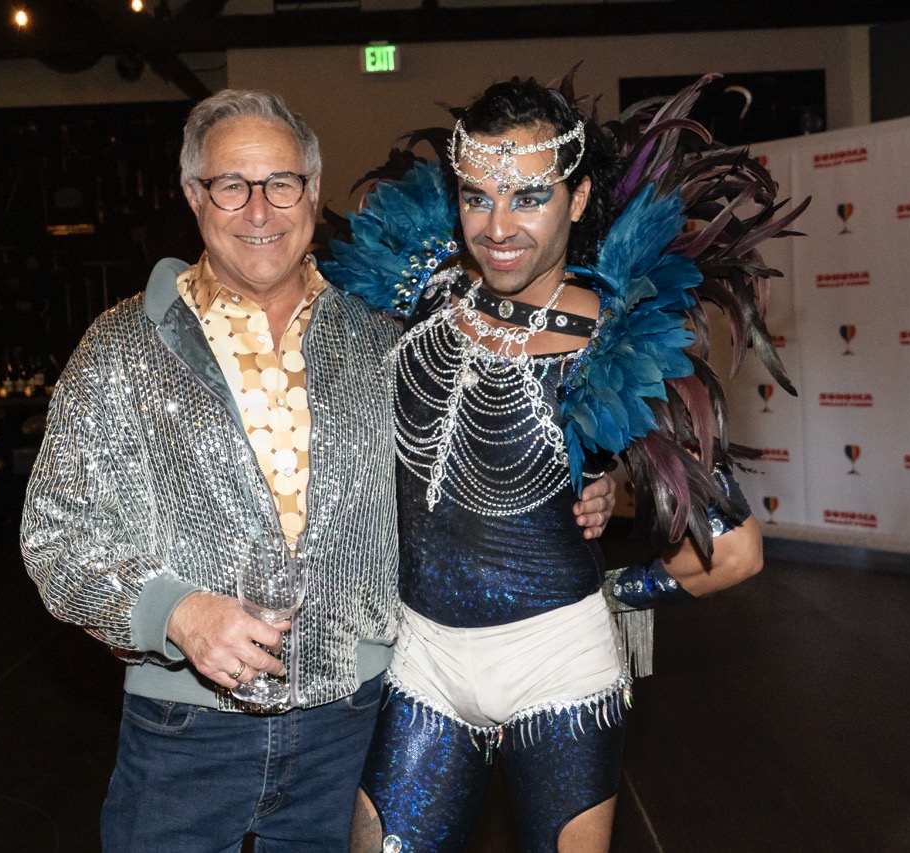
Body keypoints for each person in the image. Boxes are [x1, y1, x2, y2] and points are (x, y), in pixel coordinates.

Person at [20, 88, 615, 852]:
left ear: (313, 190)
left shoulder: (386, 340)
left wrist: (587, 478)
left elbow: (468, 465)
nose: (258, 210)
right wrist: (176, 613)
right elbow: (54, 530)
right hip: (182, 734)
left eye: (281, 183)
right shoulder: (121, 347)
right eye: (231, 185)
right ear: (194, 196)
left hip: (351, 729)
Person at [325, 74, 804, 852]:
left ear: (578, 199)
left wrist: (617, 587)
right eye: (477, 197)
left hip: (560, 672)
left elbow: (736, 549)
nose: (498, 226)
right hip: (422, 662)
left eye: (528, 197)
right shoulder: (413, 294)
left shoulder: (618, 345)